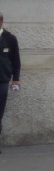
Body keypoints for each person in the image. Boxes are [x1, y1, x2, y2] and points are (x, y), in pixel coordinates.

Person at [0, 13, 21, 152]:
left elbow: (16, 60)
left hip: (2, 79)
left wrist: (16, 79)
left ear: (1, 22)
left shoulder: (10, 38)